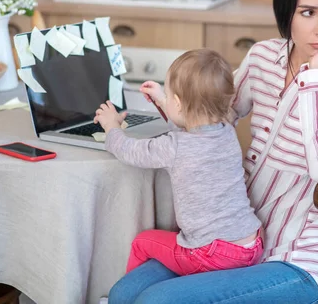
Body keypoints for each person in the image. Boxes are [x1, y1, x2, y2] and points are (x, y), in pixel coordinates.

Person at [108, 0, 318, 304]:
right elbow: (210, 120)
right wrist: (169, 102)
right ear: (288, 14)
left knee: (156, 301)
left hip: (297, 262)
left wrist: (315, 74)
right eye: (308, 13)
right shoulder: (264, 57)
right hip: (232, 241)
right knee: (124, 293)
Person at [93, 49, 264, 278]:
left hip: (211, 254)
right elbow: (192, 126)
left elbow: (129, 151)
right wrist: (163, 100)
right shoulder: (226, 133)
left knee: (142, 242)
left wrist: (112, 126)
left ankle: (130, 294)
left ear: (178, 103)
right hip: (251, 245)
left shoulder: (174, 147)